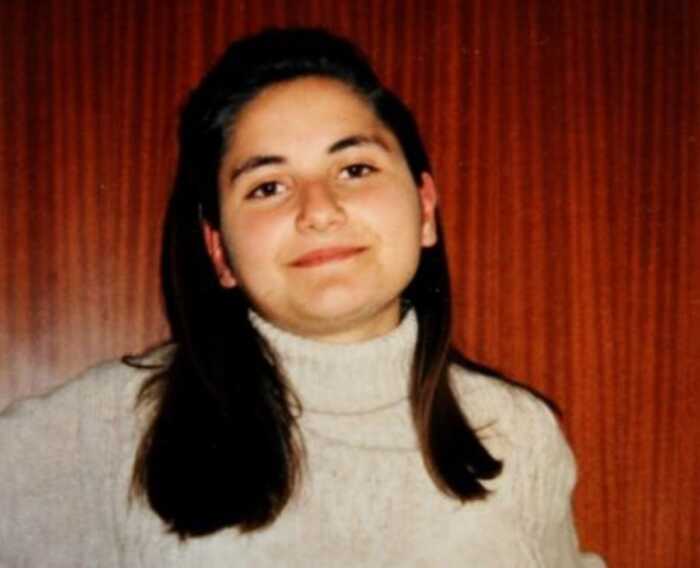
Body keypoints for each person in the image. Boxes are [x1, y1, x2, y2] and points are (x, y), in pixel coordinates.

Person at [0, 28, 605, 567]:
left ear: (425, 210)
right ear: (219, 251)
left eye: (355, 170)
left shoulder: (517, 434)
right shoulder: (110, 427)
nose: (319, 210)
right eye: (268, 186)